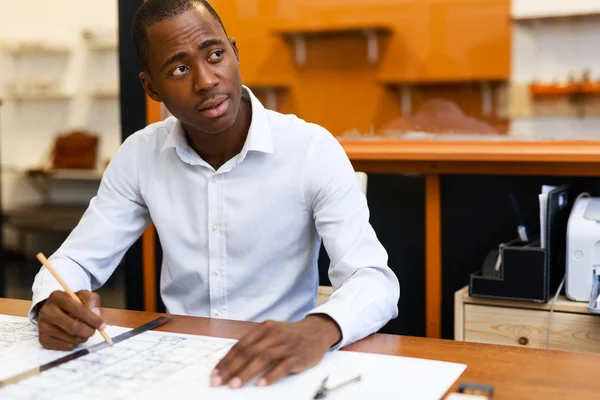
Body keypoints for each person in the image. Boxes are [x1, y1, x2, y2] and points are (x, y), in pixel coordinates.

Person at [30, 0, 400, 389]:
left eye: (216, 54)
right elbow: (75, 260)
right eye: (179, 68)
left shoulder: (311, 149)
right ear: (151, 87)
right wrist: (52, 303)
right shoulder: (140, 155)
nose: (206, 80)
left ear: (235, 53)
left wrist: (321, 328)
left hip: (281, 364)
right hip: (177, 366)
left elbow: (372, 278)